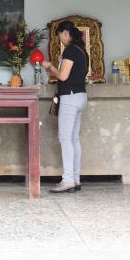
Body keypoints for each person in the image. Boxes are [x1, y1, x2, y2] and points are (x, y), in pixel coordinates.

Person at [44, 20, 88, 193]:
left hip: (70, 98)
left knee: (65, 138)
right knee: (74, 139)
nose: (60, 39)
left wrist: (51, 66)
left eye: (60, 36)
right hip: (80, 96)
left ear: (65, 33)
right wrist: (56, 69)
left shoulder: (70, 50)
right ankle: (75, 178)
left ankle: (68, 180)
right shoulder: (82, 51)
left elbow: (63, 76)